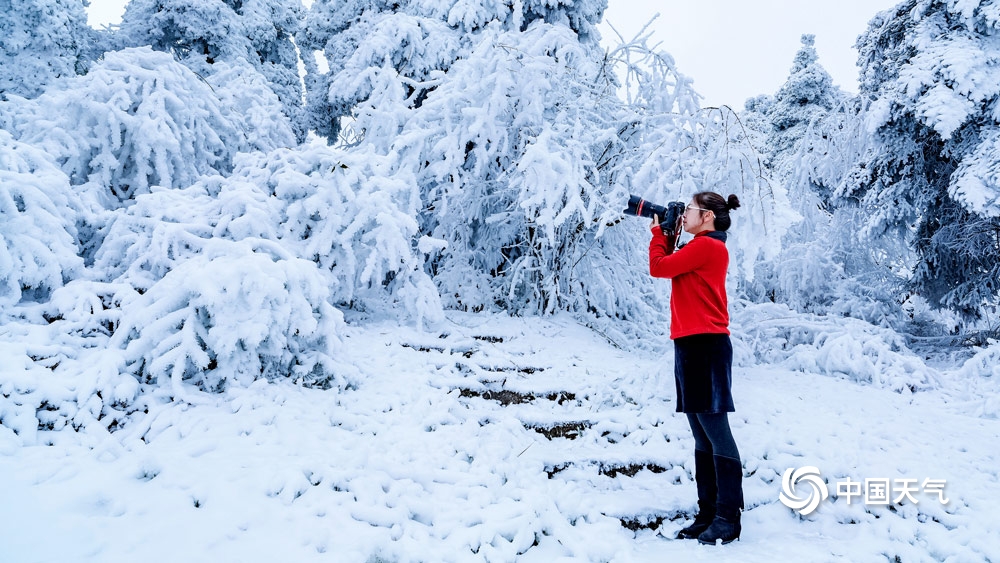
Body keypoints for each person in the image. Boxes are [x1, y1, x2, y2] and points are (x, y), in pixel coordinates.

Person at [648, 191, 744, 545]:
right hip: (689, 343)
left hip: (706, 345)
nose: (684, 214)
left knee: (715, 430)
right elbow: (671, 264)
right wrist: (670, 237)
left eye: (689, 210)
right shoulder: (697, 247)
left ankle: (727, 517)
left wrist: (661, 237)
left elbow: (659, 267)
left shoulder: (708, 246)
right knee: (701, 434)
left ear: (707, 217)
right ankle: (708, 512)